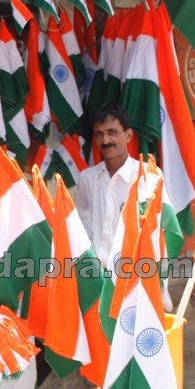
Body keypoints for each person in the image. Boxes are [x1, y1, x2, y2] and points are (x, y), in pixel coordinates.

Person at [75, 104, 139, 267]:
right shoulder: (87, 178)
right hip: (98, 274)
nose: (105, 140)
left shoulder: (148, 177)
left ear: (128, 136)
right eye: (99, 134)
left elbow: (159, 229)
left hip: (135, 273)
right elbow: (82, 225)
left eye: (112, 132)